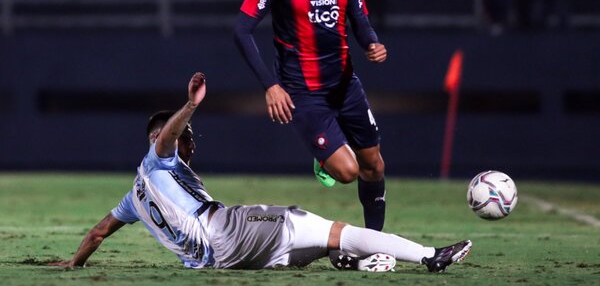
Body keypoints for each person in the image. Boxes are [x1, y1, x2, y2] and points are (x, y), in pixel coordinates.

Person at [49, 72, 472, 272]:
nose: (192, 143)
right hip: (225, 231)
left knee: (311, 245)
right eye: (187, 137)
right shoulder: (158, 156)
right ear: (165, 136)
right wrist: (192, 105)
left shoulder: (133, 197)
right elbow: (165, 137)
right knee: (328, 227)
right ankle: (430, 257)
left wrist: (73, 263)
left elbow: (98, 233)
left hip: (216, 260)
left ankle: (356, 264)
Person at [233, 0, 388, 236]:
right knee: (348, 172)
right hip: (303, 94)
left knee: (374, 165)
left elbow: (359, 20)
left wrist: (372, 44)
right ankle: (325, 160)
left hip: (346, 86)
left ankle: (376, 243)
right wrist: (271, 86)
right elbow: (241, 30)